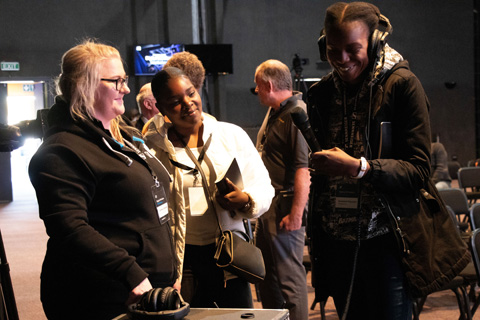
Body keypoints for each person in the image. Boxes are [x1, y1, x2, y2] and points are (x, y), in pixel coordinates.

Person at [307, 2, 470, 320]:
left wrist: (359, 168)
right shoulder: (322, 95)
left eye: (352, 49)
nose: (342, 59)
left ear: (375, 41)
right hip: (337, 245)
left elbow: (420, 169)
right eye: (332, 49)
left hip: (387, 243)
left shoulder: (403, 86)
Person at [28, 39, 177, 320]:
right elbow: (70, 229)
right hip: (100, 295)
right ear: (86, 85)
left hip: (148, 290)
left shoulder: (127, 136)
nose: (126, 88)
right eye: (117, 80)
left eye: (125, 79)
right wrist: (131, 273)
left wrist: (171, 270)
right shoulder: (61, 151)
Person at [143, 67, 274, 308]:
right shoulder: (154, 151)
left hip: (229, 254)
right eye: (175, 101)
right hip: (182, 258)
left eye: (191, 93)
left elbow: (264, 186)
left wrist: (246, 199)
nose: (188, 103)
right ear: (161, 109)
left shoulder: (230, 135)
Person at [253, 59, 309, 320]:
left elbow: (303, 169)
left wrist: (297, 213)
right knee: (264, 276)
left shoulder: (297, 113)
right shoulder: (276, 111)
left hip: (285, 207)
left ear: (269, 85)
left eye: (258, 86)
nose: (256, 91)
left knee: (290, 280)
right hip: (268, 206)